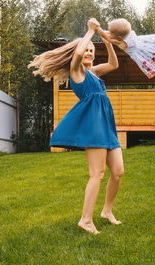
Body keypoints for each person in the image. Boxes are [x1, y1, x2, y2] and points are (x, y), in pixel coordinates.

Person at [28, 18, 124, 234]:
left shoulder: (94, 72)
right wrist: (89, 32)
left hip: (107, 125)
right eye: (86, 49)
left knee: (117, 172)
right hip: (93, 126)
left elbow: (114, 64)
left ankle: (106, 211)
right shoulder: (76, 71)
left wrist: (105, 40)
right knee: (97, 174)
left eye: (92, 50)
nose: (89, 53)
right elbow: (78, 54)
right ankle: (85, 220)